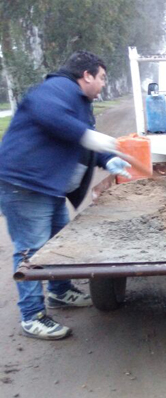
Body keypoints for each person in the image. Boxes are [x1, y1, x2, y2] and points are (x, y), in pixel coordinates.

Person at [0, 50, 130, 340]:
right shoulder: (57, 88)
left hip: (47, 186)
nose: (104, 85)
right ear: (86, 76)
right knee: (31, 250)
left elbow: (78, 138)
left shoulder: (80, 101)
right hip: (24, 185)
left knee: (57, 245)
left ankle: (59, 291)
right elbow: (52, 117)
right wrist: (88, 136)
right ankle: (32, 315)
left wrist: (106, 159)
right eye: (102, 78)